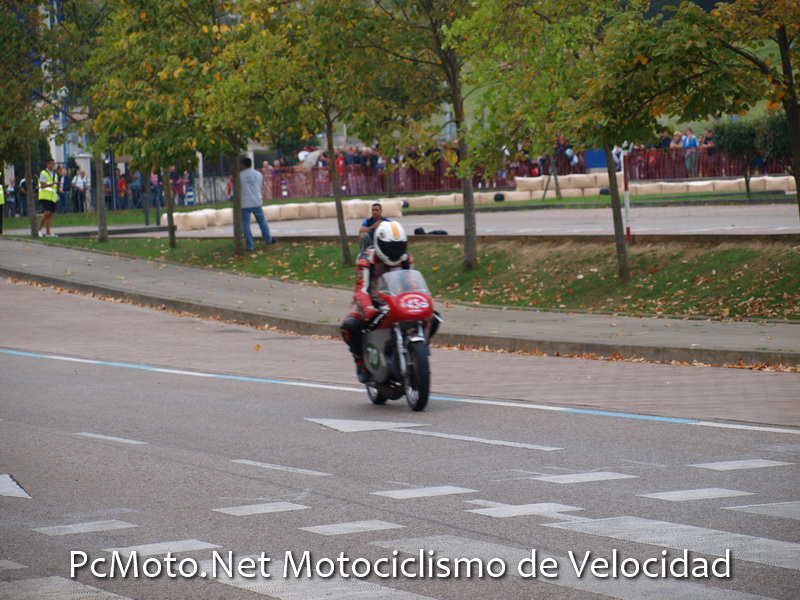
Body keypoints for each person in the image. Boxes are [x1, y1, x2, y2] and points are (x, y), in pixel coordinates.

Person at [239, 156, 274, 251]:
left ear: (243, 165)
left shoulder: (240, 175)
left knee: (246, 224)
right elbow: (260, 185)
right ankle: (268, 239)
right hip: (256, 200)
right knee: (262, 221)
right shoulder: (258, 174)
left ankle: (250, 245)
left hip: (244, 202)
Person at [38, 158, 59, 237]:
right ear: (47, 164)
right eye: (50, 163)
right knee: (46, 213)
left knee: (49, 214)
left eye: (53, 164)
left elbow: (55, 186)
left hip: (52, 196)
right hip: (45, 196)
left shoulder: (55, 174)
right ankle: (39, 230)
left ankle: (48, 232)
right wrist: (52, 184)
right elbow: (42, 185)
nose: (52, 165)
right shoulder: (43, 173)